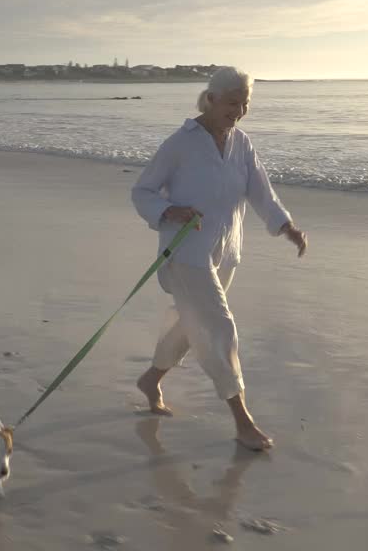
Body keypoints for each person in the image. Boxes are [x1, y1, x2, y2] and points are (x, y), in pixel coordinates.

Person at [131, 68, 307, 451]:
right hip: (185, 253)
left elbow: (262, 191)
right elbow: (142, 190)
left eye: (245, 103)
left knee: (190, 326)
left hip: (225, 251)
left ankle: (151, 379)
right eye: (233, 103)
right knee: (220, 327)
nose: (240, 110)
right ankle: (243, 421)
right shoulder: (181, 143)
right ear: (210, 100)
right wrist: (169, 210)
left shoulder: (241, 143)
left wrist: (286, 227)